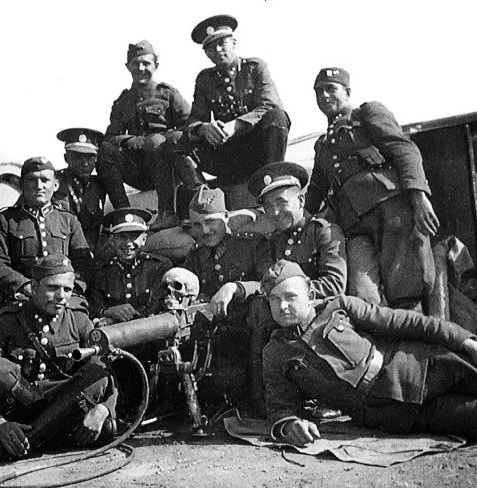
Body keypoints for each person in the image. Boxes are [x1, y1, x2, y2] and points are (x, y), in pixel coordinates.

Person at [262, 259, 477, 446]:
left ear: (310, 295)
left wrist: (464, 340)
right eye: (274, 299)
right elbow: (280, 405)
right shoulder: (275, 352)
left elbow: (405, 322)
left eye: (290, 296)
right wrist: (290, 425)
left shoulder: (340, 306)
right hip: (391, 414)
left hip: (421, 368)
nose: (282, 306)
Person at [306, 67, 439, 310]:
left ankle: (421, 341)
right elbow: (314, 193)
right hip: (354, 225)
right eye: (318, 92)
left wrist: (419, 197)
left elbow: (404, 150)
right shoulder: (321, 145)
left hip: (391, 209)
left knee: (406, 286)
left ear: (347, 92)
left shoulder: (367, 114)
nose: (323, 96)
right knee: (364, 295)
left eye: (330, 89)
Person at [0, 255, 118, 467]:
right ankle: (43, 439)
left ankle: (14, 447)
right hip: (20, 410)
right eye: (53, 288)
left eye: (68, 289)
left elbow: (105, 369)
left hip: (65, 404)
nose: (61, 296)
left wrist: (103, 409)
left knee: (97, 378)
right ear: (34, 287)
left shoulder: (78, 319)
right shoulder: (6, 321)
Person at [247, 161, 347, 415]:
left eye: (281, 203)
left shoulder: (324, 232)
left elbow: (335, 284)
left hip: (322, 311)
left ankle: (327, 395)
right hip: (287, 315)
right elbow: (266, 285)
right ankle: (264, 398)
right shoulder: (270, 243)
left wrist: (296, 296)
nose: (275, 212)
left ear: (301, 201)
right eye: (268, 207)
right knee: (260, 309)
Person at [171, 15, 290, 206]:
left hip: (257, 150)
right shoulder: (204, 80)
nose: (217, 50)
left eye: (221, 43)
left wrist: (236, 124)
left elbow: (270, 105)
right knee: (176, 140)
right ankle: (204, 200)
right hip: (228, 154)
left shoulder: (255, 68)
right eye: (211, 47)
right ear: (206, 54)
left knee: (277, 117)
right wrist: (205, 128)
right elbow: (193, 121)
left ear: (233, 42)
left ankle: (271, 181)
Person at [182, 186, 273, 403]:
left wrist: (234, 287)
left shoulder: (251, 245)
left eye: (210, 221)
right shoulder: (196, 256)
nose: (204, 231)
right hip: (214, 339)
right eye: (197, 224)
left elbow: (269, 283)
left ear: (225, 217)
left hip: (251, 334)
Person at [96, 39, 192, 230]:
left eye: (146, 63)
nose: (141, 68)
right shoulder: (122, 102)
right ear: (127, 66)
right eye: (135, 63)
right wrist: (131, 140)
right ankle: (124, 213)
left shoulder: (168, 94)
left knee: (157, 142)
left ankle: (167, 212)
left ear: (156, 66)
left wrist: (162, 139)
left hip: (168, 168)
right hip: (139, 170)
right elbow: (110, 137)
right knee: (105, 150)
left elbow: (189, 127)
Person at [0, 156, 92, 320]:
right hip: (20, 300)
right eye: (32, 180)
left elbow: (83, 263)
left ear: (55, 185)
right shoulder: (5, 220)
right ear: (22, 185)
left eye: (45, 180)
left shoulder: (68, 220)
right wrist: (25, 287)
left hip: (64, 302)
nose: (39, 186)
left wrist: (70, 291)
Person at [88, 208, 172, 322]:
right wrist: (108, 311)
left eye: (134, 236)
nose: (128, 243)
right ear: (112, 240)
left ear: (144, 239)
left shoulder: (159, 267)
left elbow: (160, 306)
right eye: (122, 236)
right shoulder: (102, 272)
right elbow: (93, 307)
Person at [54, 127, 107, 250]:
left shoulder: (99, 185)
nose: (85, 163)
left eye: (90, 157)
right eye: (78, 157)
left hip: (90, 253)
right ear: (66, 158)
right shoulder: (53, 183)